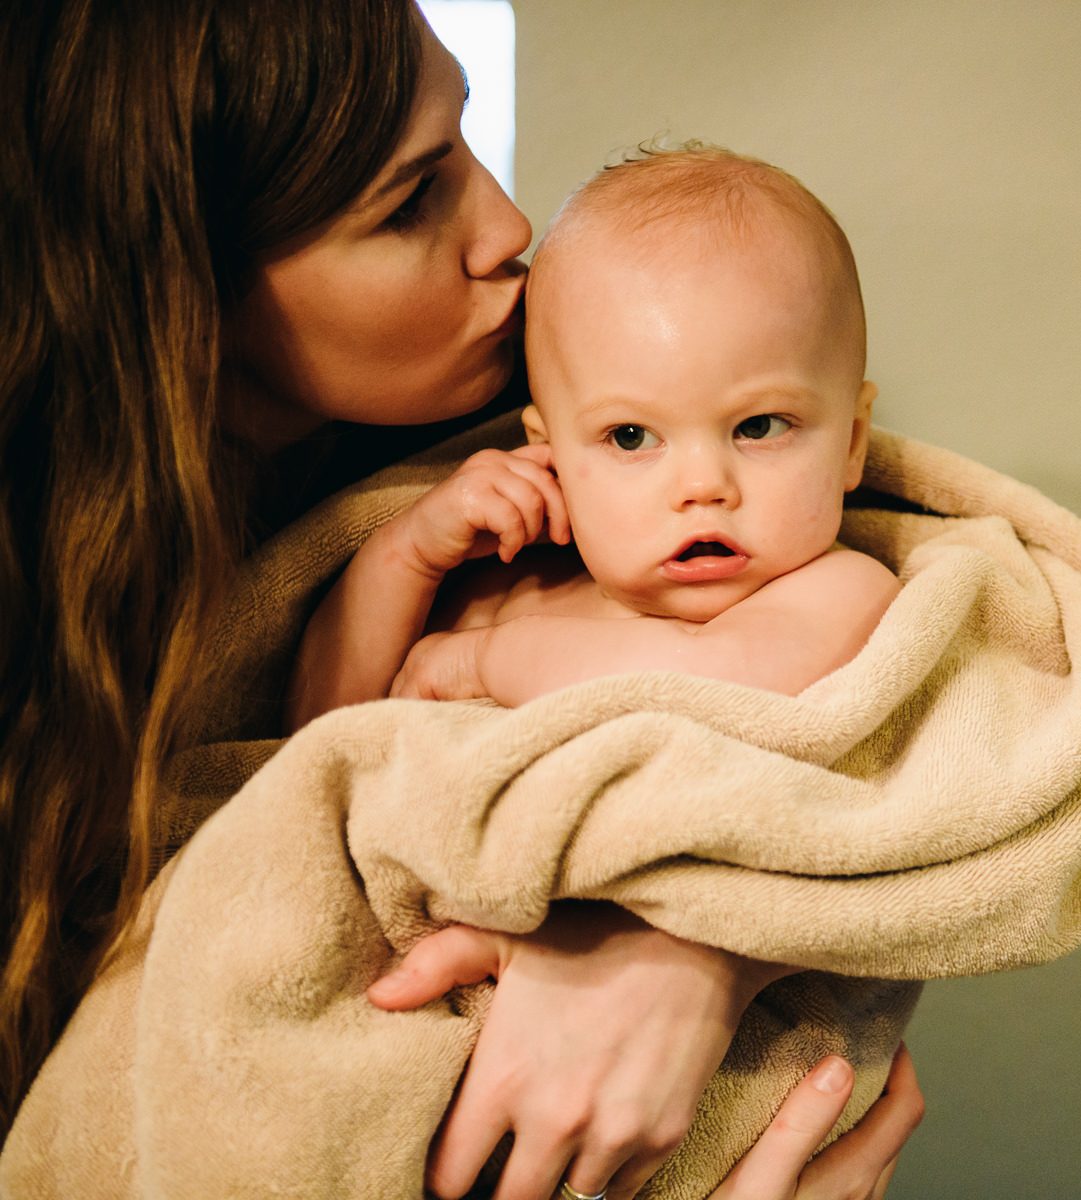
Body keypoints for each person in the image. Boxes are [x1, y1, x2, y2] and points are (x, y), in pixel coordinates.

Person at [0, 3, 919, 1199]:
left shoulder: (786, 564)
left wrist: (693, 950)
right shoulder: (497, 521)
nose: (507, 226)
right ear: (184, 285)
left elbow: (953, 712)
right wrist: (398, 566)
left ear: (846, 438)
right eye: (407, 200)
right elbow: (320, 751)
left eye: (758, 428)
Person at [284, 148, 897, 725]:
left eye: (757, 427)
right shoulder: (517, 583)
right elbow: (317, 736)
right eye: (630, 437)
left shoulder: (838, 593)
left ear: (850, 444)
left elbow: (708, 680)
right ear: (548, 452)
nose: (703, 485)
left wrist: (482, 661)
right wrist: (409, 556)